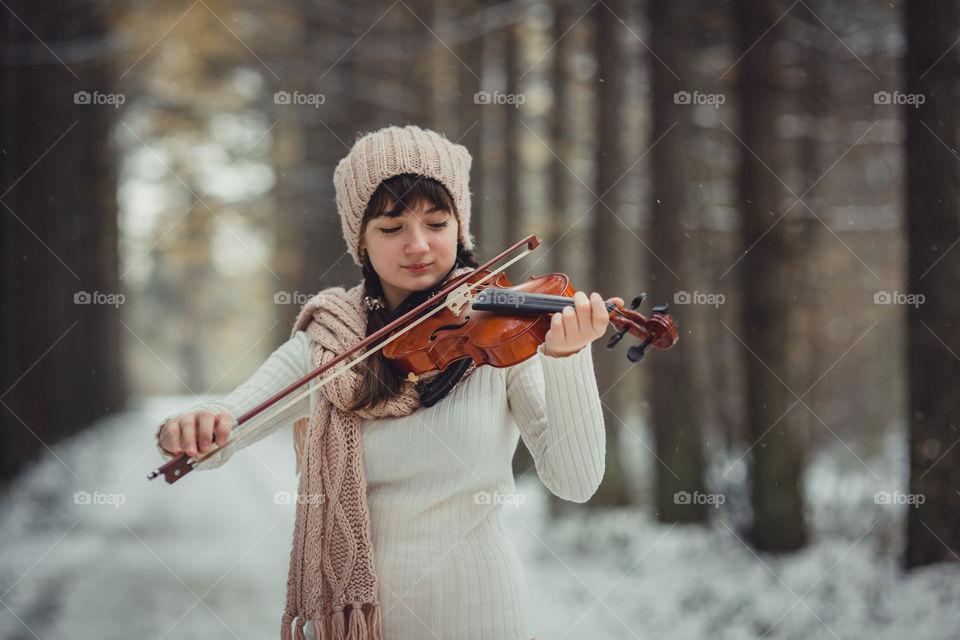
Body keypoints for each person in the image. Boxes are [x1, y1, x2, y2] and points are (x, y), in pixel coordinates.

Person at [156, 124, 623, 640]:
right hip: (354, 624)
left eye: (437, 222)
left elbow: (576, 483)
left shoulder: (503, 335)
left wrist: (568, 357)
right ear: (360, 239)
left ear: (460, 229)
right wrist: (194, 425)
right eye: (391, 227)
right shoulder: (331, 341)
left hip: (480, 616)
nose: (417, 245)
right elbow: (229, 425)